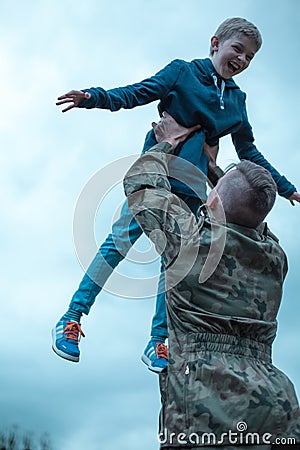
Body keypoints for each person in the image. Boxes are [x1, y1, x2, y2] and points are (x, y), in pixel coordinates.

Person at [52, 17, 300, 369]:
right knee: (120, 241)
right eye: (238, 50)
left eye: (250, 57)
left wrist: (286, 187)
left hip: (192, 186)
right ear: (216, 43)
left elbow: (249, 152)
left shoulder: (236, 101)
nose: (242, 60)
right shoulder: (183, 73)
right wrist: (94, 98)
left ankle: (158, 341)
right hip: (156, 171)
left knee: (176, 262)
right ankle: (72, 318)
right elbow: (138, 92)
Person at [123, 112, 300, 449]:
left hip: (205, 398)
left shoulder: (189, 245)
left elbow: (141, 184)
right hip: (277, 405)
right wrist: (216, 171)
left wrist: (167, 141)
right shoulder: (276, 258)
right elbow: (247, 211)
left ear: (213, 200)